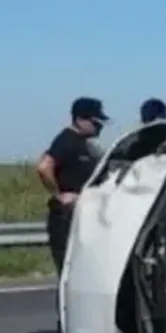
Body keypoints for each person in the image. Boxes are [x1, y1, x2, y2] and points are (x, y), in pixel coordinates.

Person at [35, 97, 108, 273]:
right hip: (65, 218)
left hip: (80, 216)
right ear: (80, 120)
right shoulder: (67, 140)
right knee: (70, 272)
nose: (100, 127)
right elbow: (44, 166)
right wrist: (59, 195)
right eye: (95, 122)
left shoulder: (85, 145)